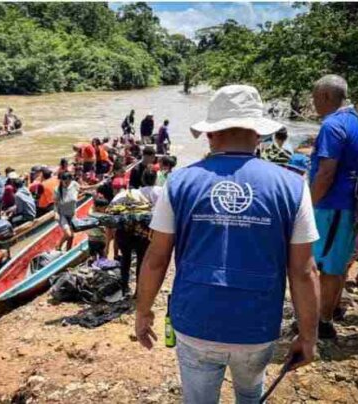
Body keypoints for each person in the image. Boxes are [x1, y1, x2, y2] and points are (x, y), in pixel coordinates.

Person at [136, 85, 321, 404]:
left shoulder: (179, 182)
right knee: (250, 394)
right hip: (257, 324)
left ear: (210, 135)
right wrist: (308, 336)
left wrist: (143, 312)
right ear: (259, 134)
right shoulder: (293, 186)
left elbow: (156, 258)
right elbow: (304, 271)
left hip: (195, 320)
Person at [309, 75, 358, 339]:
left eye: (315, 98)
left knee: (327, 267)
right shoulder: (355, 121)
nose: (313, 103)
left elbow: (326, 173)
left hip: (332, 206)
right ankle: (329, 314)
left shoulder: (332, 126)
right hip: (349, 205)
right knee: (338, 263)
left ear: (326, 97)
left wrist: (308, 205)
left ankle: (322, 322)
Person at [54, 172, 80, 251]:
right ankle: (58, 245)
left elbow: (82, 188)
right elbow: (55, 204)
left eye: (68, 182)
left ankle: (68, 250)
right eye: (64, 182)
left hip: (72, 214)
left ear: (71, 180)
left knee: (71, 236)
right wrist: (56, 213)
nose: (66, 184)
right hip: (63, 215)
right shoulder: (57, 190)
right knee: (68, 234)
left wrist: (95, 186)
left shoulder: (75, 185)